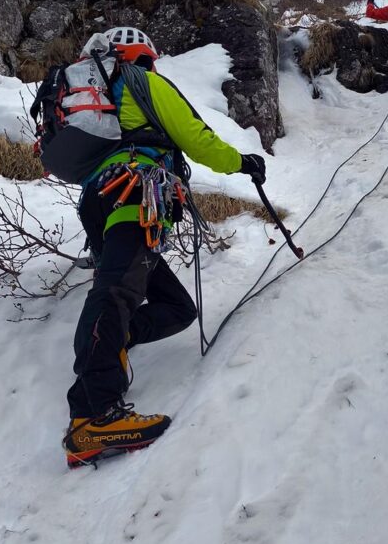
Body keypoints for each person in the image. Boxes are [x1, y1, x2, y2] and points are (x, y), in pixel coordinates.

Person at [63, 26, 265, 468]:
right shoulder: (142, 83)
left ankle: (116, 343)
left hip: (104, 196)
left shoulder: (105, 97)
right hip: (135, 191)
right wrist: (242, 161)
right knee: (116, 290)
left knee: (176, 308)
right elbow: (194, 136)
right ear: (142, 55)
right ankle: (92, 414)